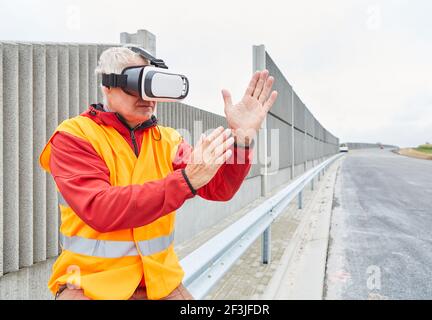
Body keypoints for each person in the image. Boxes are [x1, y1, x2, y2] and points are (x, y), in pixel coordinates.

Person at [39, 46, 278, 300]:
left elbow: (220, 189)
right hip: (90, 286)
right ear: (107, 85)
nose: (149, 97)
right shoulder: (74, 136)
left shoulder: (168, 140)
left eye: (155, 86)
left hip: (159, 284)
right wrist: (185, 181)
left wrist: (242, 140)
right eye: (139, 84)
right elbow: (99, 208)